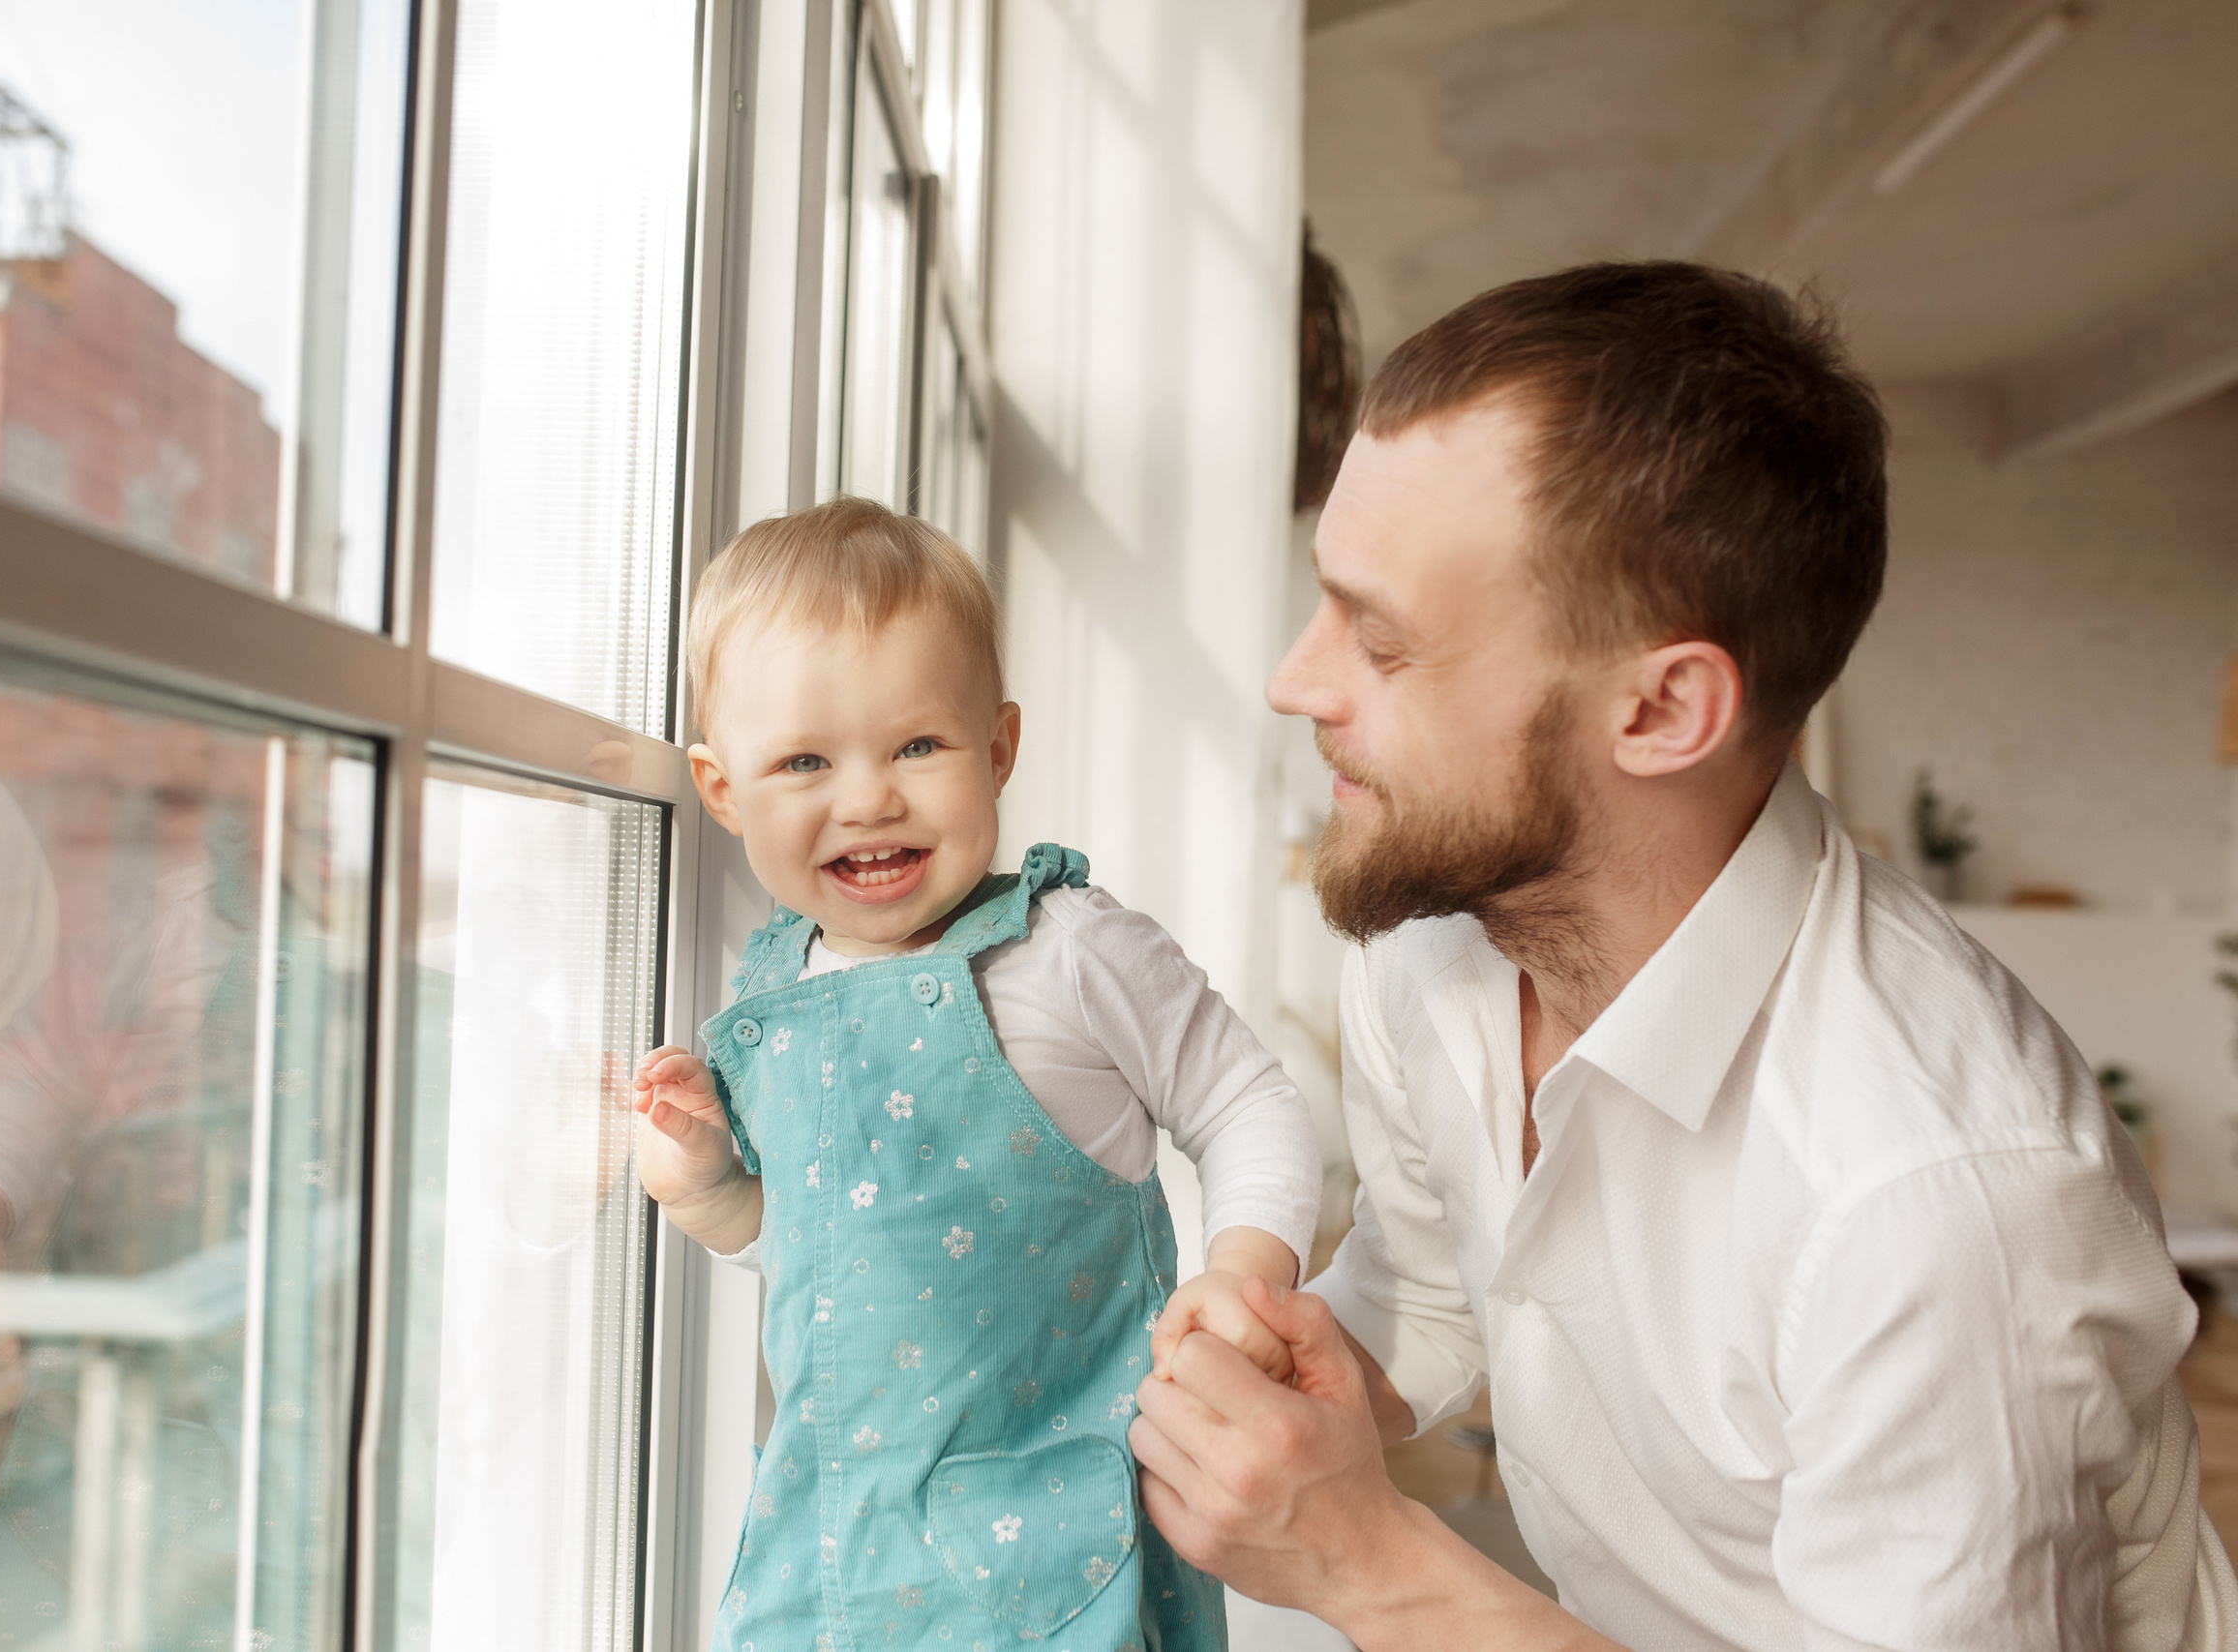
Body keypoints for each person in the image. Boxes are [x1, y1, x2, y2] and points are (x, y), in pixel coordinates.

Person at [1129, 262, 2238, 1649]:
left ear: (1660, 708)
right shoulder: (1438, 940)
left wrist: (1368, 1561)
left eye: (1382, 638)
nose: (1297, 680)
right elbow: (1427, 1284)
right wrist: (1280, 1373)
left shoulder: (1933, 1206)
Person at [629, 497, 1321, 1652]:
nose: (867, 798)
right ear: (720, 789)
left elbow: (1247, 1102)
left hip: (1059, 1534)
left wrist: (1245, 1272)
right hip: (836, 1535)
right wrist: (709, 1188)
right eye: (804, 761)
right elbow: (815, 1238)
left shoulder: (1068, 950)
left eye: (917, 746)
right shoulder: (764, 997)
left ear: (997, 748)